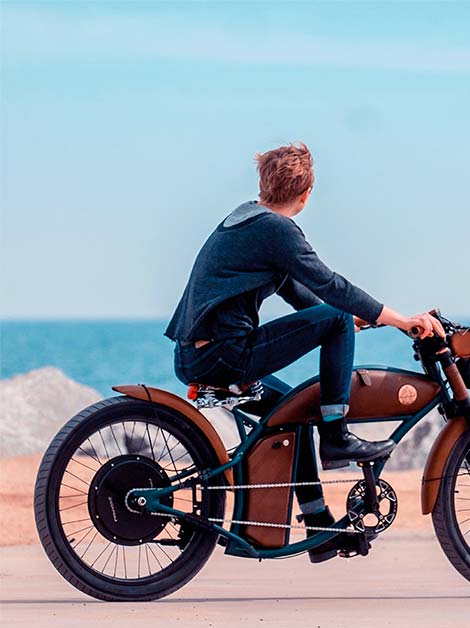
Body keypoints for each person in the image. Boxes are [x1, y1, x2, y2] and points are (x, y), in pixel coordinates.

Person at [165, 142, 444, 560]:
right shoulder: (276, 230)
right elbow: (332, 287)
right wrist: (399, 320)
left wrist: (351, 322)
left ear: (263, 183)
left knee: (292, 411)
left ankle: (318, 523)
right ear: (307, 193)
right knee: (334, 318)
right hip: (223, 355)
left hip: (201, 355)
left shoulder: (245, 221)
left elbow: (302, 295)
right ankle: (336, 438)